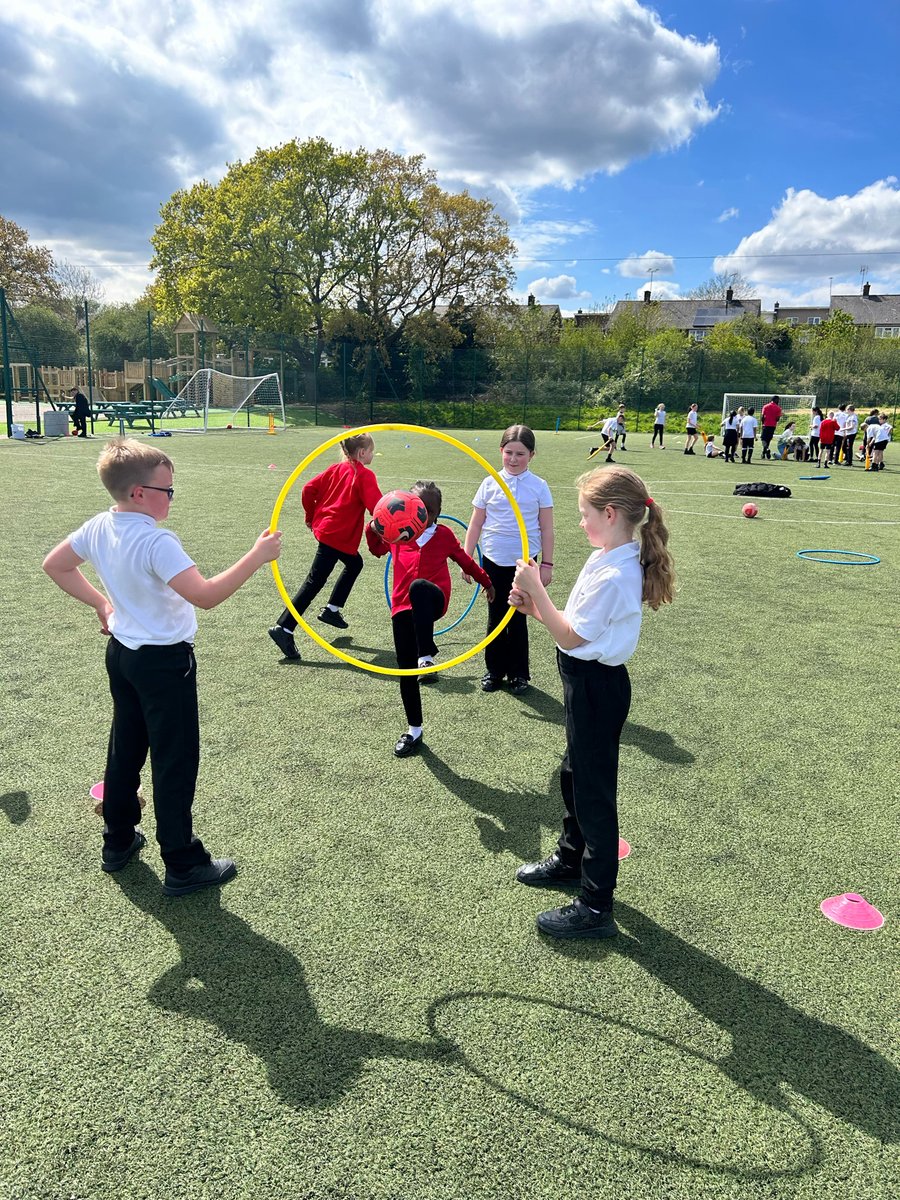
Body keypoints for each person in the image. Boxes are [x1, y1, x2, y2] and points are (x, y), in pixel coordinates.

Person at [42, 438, 283, 895]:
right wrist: (257, 555)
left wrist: (102, 606)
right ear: (138, 493)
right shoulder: (156, 540)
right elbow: (206, 596)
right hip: (163, 664)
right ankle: (182, 861)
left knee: (125, 749)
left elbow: (55, 565)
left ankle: (117, 841)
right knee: (174, 761)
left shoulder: (99, 526)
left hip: (123, 657)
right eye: (166, 490)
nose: (171, 497)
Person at [509, 465, 675, 939]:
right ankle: (569, 857)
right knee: (572, 775)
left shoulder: (618, 572)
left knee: (594, 794)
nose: (579, 523)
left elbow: (574, 634)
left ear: (609, 513)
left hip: (597, 687)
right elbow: (571, 632)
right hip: (582, 677)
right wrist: (536, 608)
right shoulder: (607, 554)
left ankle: (596, 904)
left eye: (584, 514)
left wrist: (535, 585)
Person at [367, 481, 494, 758]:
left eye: (429, 510)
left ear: (437, 513)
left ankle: (426, 656)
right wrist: (374, 527)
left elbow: (465, 561)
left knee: (419, 587)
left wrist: (486, 582)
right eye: (419, 507)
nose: (423, 514)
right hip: (402, 610)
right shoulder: (399, 535)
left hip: (434, 600)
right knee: (405, 671)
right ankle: (414, 730)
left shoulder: (444, 535)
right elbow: (375, 549)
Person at [268, 433, 382, 661]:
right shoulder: (364, 475)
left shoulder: (335, 469)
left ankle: (331, 610)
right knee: (314, 582)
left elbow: (307, 490)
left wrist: (311, 515)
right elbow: (377, 507)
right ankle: (285, 628)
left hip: (328, 531)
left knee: (353, 564)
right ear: (362, 453)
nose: (372, 455)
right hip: (337, 536)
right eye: (371, 451)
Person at [464, 425, 554, 696]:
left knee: (517, 617)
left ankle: (518, 674)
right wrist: (467, 557)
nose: (514, 459)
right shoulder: (489, 482)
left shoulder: (539, 486)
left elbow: (547, 528)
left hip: (525, 564)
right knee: (495, 616)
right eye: (509, 453)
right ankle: (494, 670)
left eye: (521, 454)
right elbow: (476, 521)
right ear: (501, 451)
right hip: (492, 560)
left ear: (532, 455)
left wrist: (547, 564)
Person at [760, 395, 783, 459]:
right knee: (768, 439)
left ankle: (766, 449)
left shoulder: (765, 406)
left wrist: (762, 424)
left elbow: (762, 417)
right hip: (773, 426)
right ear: (776, 400)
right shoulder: (778, 408)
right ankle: (764, 452)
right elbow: (777, 419)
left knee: (763, 439)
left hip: (766, 425)